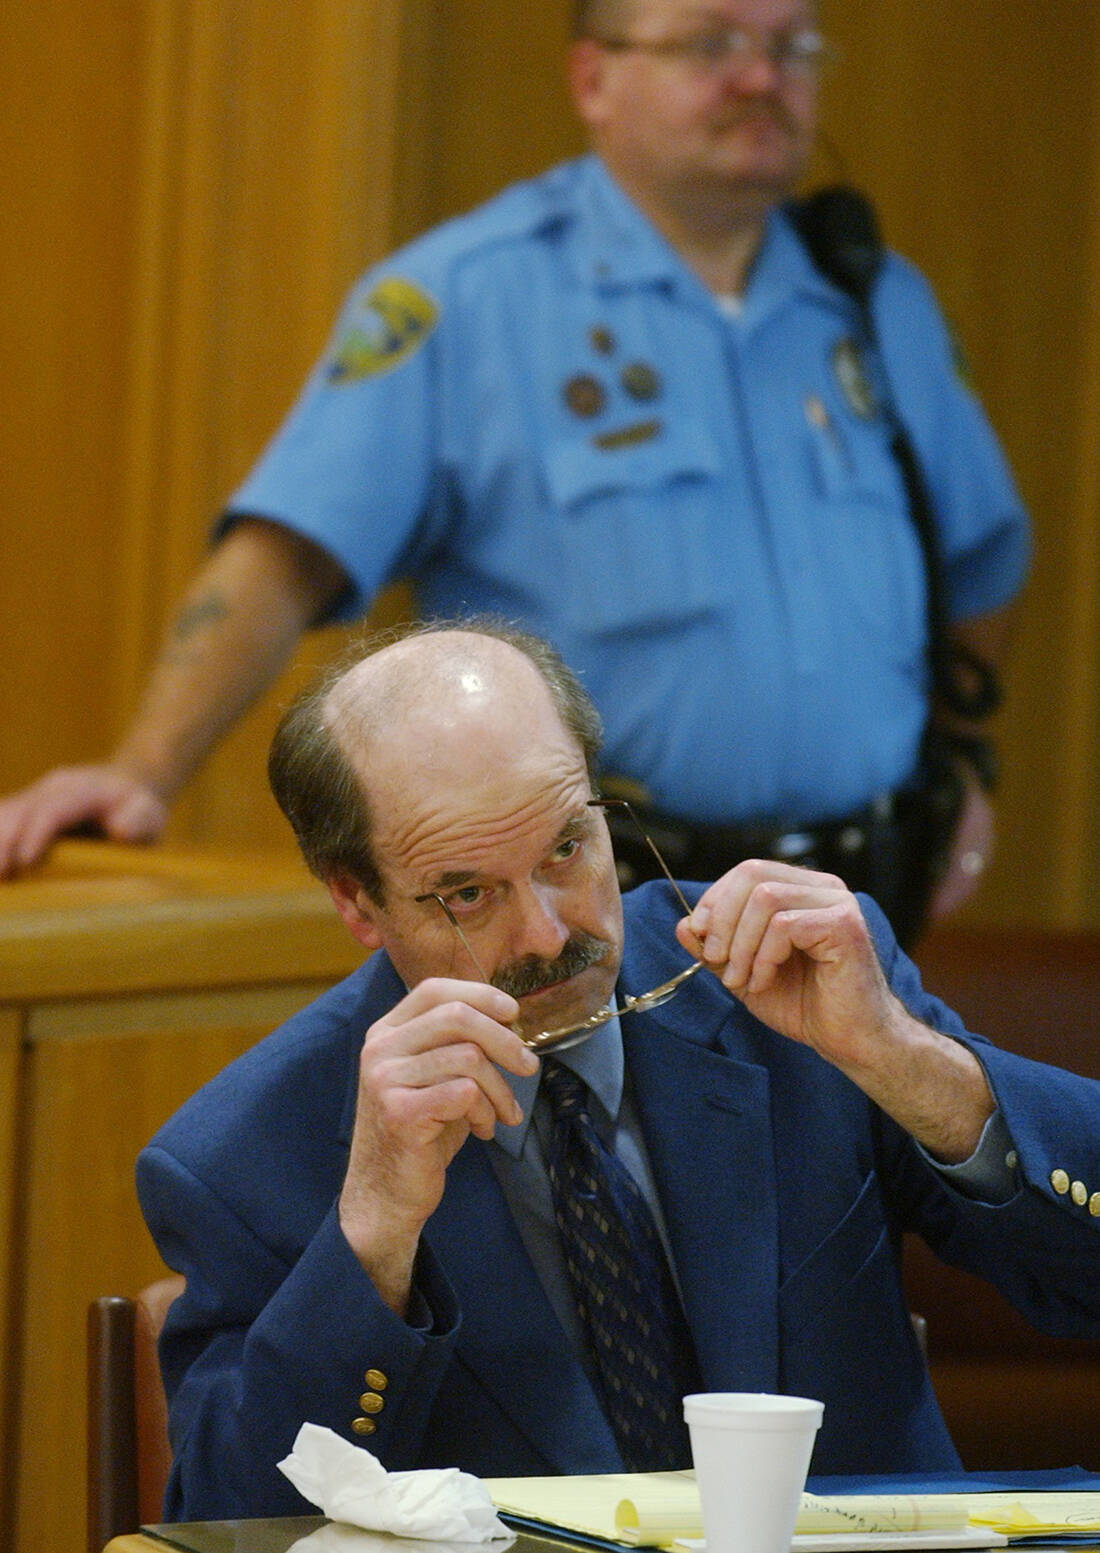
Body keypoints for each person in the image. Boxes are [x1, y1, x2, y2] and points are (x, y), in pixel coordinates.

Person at [0, 0, 1029, 945]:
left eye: (790, 46)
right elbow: (286, 559)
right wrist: (143, 769)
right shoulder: (466, 300)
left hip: (856, 917)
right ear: (593, 79)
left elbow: (981, 560)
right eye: (711, 43)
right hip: (597, 920)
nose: (761, 78)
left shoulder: (874, 301)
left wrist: (962, 766)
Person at [137, 620, 1100, 1522]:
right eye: (467, 894)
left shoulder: (782, 983)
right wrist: (374, 1233)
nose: (548, 933)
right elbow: (229, 1524)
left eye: (567, 848)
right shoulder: (243, 1157)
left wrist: (898, 1054)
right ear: (357, 901)